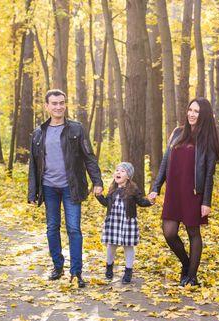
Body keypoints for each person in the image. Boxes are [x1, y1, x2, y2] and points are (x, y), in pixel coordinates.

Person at [28, 89, 103, 288]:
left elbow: (89, 156)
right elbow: (34, 165)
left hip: (72, 187)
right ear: (47, 106)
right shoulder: (38, 133)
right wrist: (32, 192)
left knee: (74, 229)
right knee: (52, 228)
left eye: (61, 103)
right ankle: (57, 266)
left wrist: (97, 181)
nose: (58, 106)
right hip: (48, 188)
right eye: (54, 103)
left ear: (65, 105)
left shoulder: (76, 129)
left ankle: (76, 272)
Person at [148, 97, 219, 287]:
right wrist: (156, 187)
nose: (191, 114)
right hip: (174, 191)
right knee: (169, 233)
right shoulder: (177, 133)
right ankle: (187, 265)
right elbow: (165, 162)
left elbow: (209, 175)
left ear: (203, 115)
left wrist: (206, 201)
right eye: (190, 110)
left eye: (196, 111)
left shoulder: (207, 140)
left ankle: (192, 277)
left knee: (193, 232)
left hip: (193, 193)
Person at [96, 162, 153, 284]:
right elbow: (106, 203)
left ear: (128, 176)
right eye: (117, 170)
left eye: (122, 171)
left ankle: (128, 271)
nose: (118, 172)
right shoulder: (112, 189)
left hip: (127, 221)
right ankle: (109, 267)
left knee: (128, 246)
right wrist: (99, 196)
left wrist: (150, 201)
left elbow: (141, 202)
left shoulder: (133, 189)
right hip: (113, 221)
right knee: (111, 245)